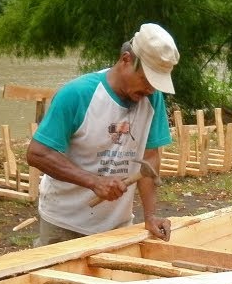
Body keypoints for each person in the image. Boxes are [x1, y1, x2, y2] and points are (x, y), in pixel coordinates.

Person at [25, 23, 179, 246]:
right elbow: (37, 154)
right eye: (147, 80)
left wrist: (150, 215)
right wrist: (93, 181)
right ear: (126, 60)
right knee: (62, 282)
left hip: (117, 225)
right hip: (64, 223)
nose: (151, 89)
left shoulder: (152, 99)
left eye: (156, 84)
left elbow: (150, 157)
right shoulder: (77, 94)